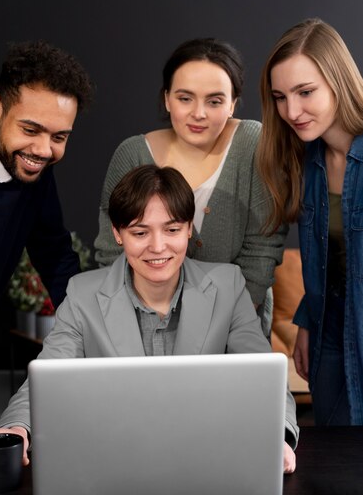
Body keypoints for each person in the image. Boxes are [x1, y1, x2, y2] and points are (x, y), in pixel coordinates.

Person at [0, 165, 298, 475]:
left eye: (172, 229)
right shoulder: (82, 294)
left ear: (188, 228)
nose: (158, 247)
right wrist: (16, 427)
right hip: (112, 464)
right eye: (140, 232)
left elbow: (267, 378)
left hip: (206, 460)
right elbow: (44, 377)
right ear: (118, 233)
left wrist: (277, 435)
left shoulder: (229, 285)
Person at [0, 40, 93, 449]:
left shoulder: (33, 169)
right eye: (31, 129)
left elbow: (56, 257)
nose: (44, 150)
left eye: (59, 136)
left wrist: (91, 332)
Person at [94, 37, 286, 336]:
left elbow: (262, 248)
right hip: (144, 325)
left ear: (233, 103)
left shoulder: (253, 144)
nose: (199, 113)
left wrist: (224, 323)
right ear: (167, 98)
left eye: (215, 100)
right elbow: (111, 252)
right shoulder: (132, 153)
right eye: (185, 98)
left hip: (237, 321)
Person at [257, 17, 363, 426]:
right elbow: (336, 259)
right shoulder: (307, 161)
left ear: (338, 80)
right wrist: (307, 317)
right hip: (328, 332)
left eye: (305, 92)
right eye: (280, 97)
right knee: (334, 470)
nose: (291, 111)